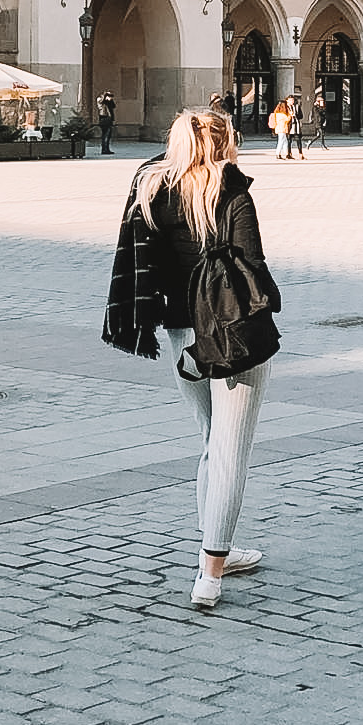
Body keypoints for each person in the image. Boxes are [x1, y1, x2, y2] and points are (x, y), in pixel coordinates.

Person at [102, 109, 279, 610]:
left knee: (209, 441)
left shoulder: (152, 190)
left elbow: (145, 268)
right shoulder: (231, 191)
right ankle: (211, 570)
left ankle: (218, 548)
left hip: (181, 337)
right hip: (233, 338)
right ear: (226, 143)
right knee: (229, 452)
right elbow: (253, 268)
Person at [288, 89, 305, 159]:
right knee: (289, 141)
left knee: (298, 140)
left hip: (296, 126)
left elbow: (301, 116)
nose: (291, 101)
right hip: (289, 125)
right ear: (287, 101)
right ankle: (288, 153)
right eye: (290, 100)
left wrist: (295, 115)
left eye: (292, 100)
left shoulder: (297, 107)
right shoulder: (286, 107)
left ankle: (300, 153)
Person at [97, 90, 116, 155]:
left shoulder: (109, 102)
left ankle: (107, 149)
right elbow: (101, 102)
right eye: (110, 96)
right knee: (105, 135)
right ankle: (104, 149)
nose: (111, 98)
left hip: (109, 119)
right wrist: (105, 96)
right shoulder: (101, 101)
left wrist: (110, 100)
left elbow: (113, 106)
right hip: (104, 119)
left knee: (108, 136)